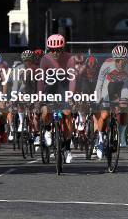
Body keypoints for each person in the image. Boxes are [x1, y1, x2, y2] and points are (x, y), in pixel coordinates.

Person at [39, 34, 76, 164]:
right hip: (49, 88)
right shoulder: (45, 59)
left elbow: (72, 79)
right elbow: (41, 80)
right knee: (45, 111)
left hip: (64, 88)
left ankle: (67, 148)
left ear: (62, 48)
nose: (55, 52)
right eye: (52, 50)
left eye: (58, 49)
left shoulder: (70, 59)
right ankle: (48, 129)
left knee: (67, 114)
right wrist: (39, 97)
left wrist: (71, 96)